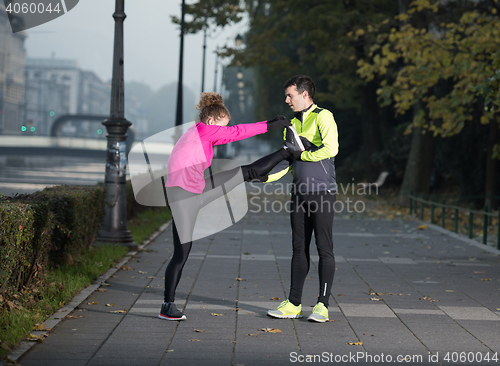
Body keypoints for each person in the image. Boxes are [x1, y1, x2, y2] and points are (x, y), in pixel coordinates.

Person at [159, 92, 303, 320]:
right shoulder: (203, 131)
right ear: (212, 121)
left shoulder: (199, 134)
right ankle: (167, 306)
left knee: (243, 173)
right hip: (183, 197)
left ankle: (287, 153)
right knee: (181, 254)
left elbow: (230, 135)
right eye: (222, 126)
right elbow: (237, 133)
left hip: (195, 191)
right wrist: (269, 125)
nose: (224, 130)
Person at [265, 75, 339, 323]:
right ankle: (294, 304)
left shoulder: (323, 116)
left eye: (290, 95)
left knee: (324, 249)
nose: (287, 100)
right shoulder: (292, 124)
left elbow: (331, 148)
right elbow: (288, 162)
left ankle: (322, 305)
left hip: (322, 192)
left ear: (304, 94)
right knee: (298, 249)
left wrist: (303, 154)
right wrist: (263, 177)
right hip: (299, 194)